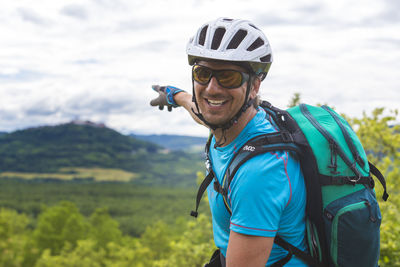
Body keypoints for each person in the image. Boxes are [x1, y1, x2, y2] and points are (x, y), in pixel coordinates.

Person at [150, 18, 308, 266]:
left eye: (229, 77)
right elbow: (200, 109)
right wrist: (174, 95)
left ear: (254, 85)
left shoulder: (259, 173)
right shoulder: (237, 120)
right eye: (202, 74)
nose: (212, 89)